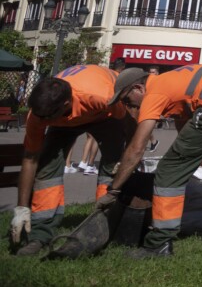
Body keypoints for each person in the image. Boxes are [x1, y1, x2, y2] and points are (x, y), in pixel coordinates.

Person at [105, 65, 202, 258]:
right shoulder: (172, 82)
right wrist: (185, 155)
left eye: (127, 100)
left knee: (168, 171)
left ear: (139, 88)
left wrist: (114, 189)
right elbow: (184, 122)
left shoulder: (155, 91)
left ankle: (157, 244)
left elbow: (137, 147)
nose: (130, 107)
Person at [9, 65, 133, 256]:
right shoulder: (40, 115)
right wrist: (21, 208)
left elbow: (126, 120)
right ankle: (40, 234)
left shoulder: (101, 96)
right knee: (46, 169)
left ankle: (102, 224)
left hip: (105, 116)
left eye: (47, 117)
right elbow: (30, 159)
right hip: (64, 122)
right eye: (40, 117)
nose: (42, 121)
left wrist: (128, 154)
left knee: (111, 167)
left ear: (67, 104)